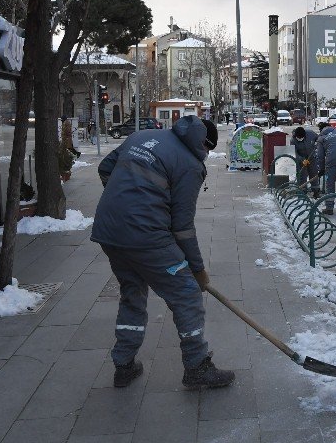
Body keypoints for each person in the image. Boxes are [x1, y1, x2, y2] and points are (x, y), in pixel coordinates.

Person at [91, 115, 235, 390]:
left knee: (132, 292)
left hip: (109, 231)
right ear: (203, 143)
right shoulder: (191, 165)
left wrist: (125, 200)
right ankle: (197, 366)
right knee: (187, 294)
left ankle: (124, 365)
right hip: (147, 236)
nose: (206, 155)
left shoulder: (141, 137)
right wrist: (198, 271)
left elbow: (105, 168)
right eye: (208, 150)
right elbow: (182, 228)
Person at [291, 126, 319, 194]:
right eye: (299, 138)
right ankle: (303, 191)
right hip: (302, 160)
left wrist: (318, 144)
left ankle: (315, 190)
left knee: (314, 173)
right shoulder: (293, 140)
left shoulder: (311, 133)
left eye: (301, 137)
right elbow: (294, 153)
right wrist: (301, 159)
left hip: (312, 157)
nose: (300, 139)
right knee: (302, 175)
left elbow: (319, 139)